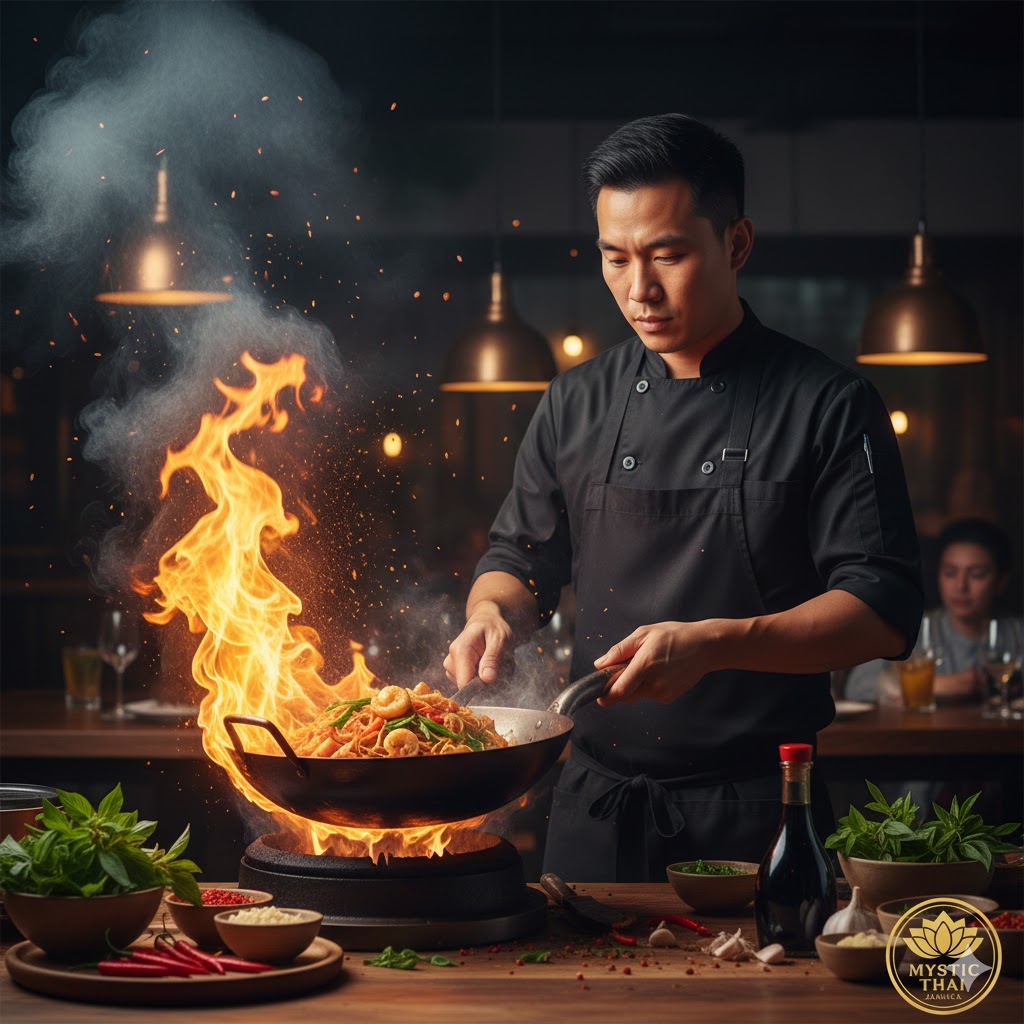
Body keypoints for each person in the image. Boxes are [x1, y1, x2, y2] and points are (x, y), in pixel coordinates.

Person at [443, 114, 923, 882]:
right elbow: (519, 559)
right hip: (595, 813)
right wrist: (490, 613)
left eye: (668, 254)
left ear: (736, 243)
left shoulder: (829, 403)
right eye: (615, 257)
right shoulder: (575, 402)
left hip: (761, 818)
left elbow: (883, 608)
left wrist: (716, 644)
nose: (640, 289)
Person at [846, 518, 1022, 705]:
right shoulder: (912, 629)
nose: (961, 586)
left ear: (1001, 582)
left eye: (977, 574)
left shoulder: (1018, 632)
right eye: (950, 573)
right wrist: (934, 684)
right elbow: (857, 686)